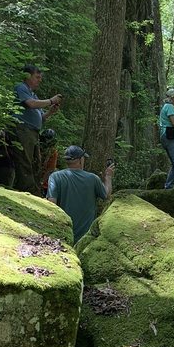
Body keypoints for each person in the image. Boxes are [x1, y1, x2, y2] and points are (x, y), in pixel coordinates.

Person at [47, 145, 114, 244]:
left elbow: (51, 204)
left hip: (63, 234)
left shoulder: (55, 177)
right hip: (85, 239)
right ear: (80, 160)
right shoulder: (93, 179)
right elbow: (106, 195)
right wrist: (108, 177)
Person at [12, 64, 62, 196]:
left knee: (35, 163)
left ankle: (34, 189)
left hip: (33, 132)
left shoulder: (32, 93)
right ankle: (26, 190)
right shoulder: (21, 87)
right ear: (27, 76)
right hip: (23, 129)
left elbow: (41, 117)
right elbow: (30, 104)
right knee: (25, 161)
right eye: (37, 77)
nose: (39, 80)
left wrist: (50, 112)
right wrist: (51, 100)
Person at [39, 129, 58, 196]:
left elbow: (50, 169)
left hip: (45, 183)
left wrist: (41, 181)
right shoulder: (37, 146)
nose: (46, 141)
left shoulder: (53, 152)